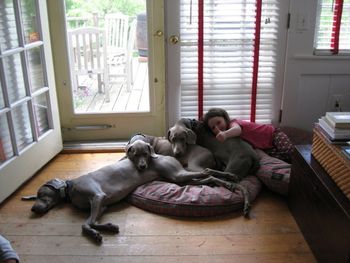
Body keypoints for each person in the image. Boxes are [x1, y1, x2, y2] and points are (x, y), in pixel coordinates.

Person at [203, 107, 293, 163]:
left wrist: (225, 134)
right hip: (266, 147)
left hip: (273, 134)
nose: (217, 127)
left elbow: (237, 130)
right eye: (213, 127)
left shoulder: (233, 124)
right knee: (281, 159)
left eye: (219, 122)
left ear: (225, 119)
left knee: (289, 152)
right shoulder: (226, 137)